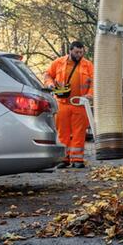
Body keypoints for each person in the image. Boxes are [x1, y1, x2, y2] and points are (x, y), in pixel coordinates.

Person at [43, 41, 94, 169]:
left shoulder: (87, 65)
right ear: (70, 51)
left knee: (79, 132)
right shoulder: (58, 62)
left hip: (80, 103)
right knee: (62, 133)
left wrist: (89, 95)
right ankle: (63, 159)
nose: (79, 54)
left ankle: (77, 159)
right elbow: (47, 74)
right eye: (77, 52)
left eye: (81, 52)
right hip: (62, 104)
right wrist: (50, 85)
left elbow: (94, 82)